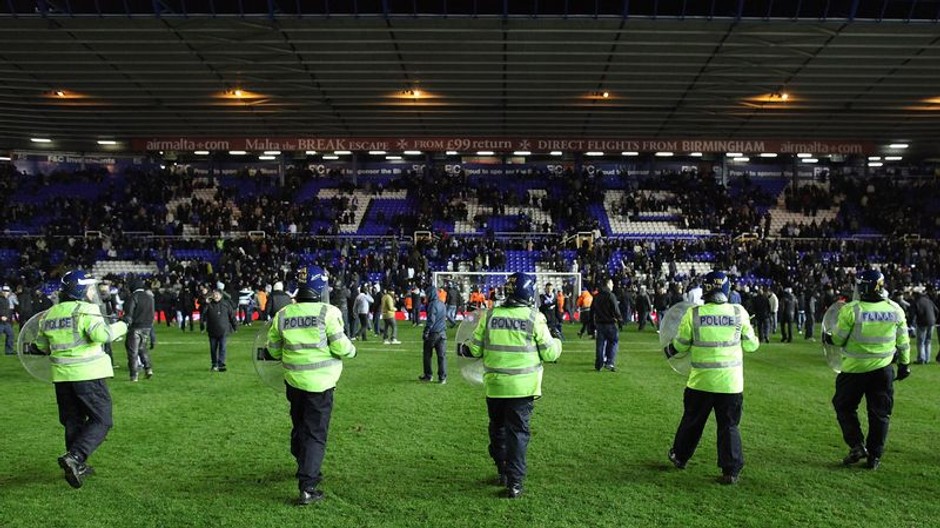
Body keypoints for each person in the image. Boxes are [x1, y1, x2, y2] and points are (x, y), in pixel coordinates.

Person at [459, 272, 561, 499]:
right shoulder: (534, 317)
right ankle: (514, 482)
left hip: (495, 386)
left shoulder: (490, 315)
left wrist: (463, 347)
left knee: (498, 430)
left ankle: (502, 472)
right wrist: (557, 340)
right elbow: (550, 354)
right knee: (517, 434)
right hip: (522, 388)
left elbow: (474, 349)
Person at [265, 266, 356, 505]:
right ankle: (308, 486)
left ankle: (302, 462)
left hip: (294, 382)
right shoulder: (328, 312)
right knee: (315, 433)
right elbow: (341, 347)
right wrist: (352, 351)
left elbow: (272, 351)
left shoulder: (283, 314)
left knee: (299, 425)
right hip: (321, 384)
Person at [33, 270, 127, 488]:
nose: (93, 292)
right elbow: (102, 336)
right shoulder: (86, 309)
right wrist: (123, 325)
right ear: (80, 290)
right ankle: (75, 457)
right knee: (102, 420)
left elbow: (41, 346)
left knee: (73, 420)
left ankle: (77, 465)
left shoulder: (49, 314)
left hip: (61, 377)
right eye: (90, 288)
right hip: (87, 374)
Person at [664, 271, 760, 485]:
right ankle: (731, 470)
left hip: (701, 381)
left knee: (692, 421)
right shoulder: (739, 312)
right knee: (729, 426)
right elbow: (751, 346)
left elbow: (681, 344)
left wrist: (669, 349)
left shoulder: (694, 314)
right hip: (730, 383)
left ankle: (680, 457)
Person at [823, 270, 911, 470]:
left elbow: (838, 339)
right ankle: (875, 457)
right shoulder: (895, 309)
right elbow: (903, 342)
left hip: (854, 370)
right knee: (880, 414)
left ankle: (856, 445)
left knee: (844, 406)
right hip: (883, 370)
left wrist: (828, 337)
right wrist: (904, 365)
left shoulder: (852, 310)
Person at [122, 277, 154, 382]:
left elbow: (129, 314)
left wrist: (124, 320)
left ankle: (134, 375)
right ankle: (148, 368)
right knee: (142, 348)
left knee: (133, 351)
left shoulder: (133, 297)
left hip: (135, 327)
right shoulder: (149, 297)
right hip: (147, 327)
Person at [202, 288, 237, 372]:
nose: (216, 296)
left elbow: (232, 315)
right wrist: (206, 303)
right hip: (212, 331)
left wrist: (235, 326)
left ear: (221, 295)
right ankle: (214, 364)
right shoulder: (209, 304)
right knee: (213, 349)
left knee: (222, 347)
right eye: (214, 295)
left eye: (217, 294)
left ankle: (221, 364)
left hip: (223, 330)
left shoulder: (226, 304)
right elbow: (203, 315)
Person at [592, 279, 622, 372]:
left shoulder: (597, 296)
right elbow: (616, 309)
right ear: (608, 284)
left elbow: (592, 310)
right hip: (610, 323)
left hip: (599, 324)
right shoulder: (610, 295)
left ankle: (599, 364)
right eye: (612, 284)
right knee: (613, 342)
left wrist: (591, 324)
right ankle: (610, 362)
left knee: (600, 344)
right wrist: (620, 320)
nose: (613, 285)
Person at [420, 285, 448, 384]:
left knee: (427, 355)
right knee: (442, 356)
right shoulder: (442, 303)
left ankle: (428, 375)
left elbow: (431, 320)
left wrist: (426, 331)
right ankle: (442, 377)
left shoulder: (432, 305)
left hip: (433, 333)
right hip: (442, 333)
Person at [912, 286, 939, 364]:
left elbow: (913, 314)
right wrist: (934, 319)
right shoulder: (929, 301)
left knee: (921, 342)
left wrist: (913, 323)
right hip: (932, 322)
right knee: (928, 341)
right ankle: (927, 359)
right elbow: (937, 311)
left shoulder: (917, 302)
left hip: (922, 323)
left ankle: (921, 359)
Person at [0, 285, 14, 355]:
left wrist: (8, 318)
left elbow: (7, 311)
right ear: (2, 292)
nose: (6, 292)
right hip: (0, 322)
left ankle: (9, 351)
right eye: (4, 291)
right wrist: (0, 317)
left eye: (7, 291)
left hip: (6, 322)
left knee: (10, 335)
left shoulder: (7, 300)